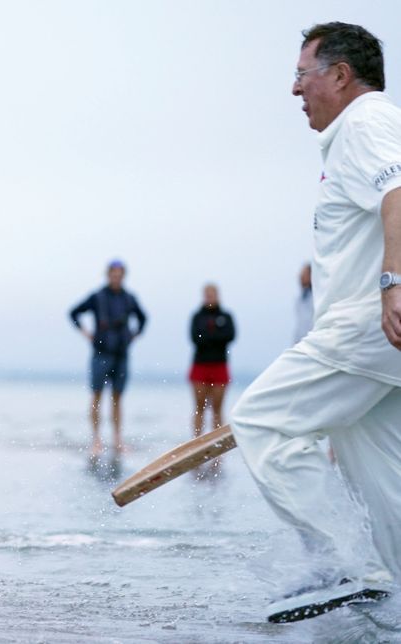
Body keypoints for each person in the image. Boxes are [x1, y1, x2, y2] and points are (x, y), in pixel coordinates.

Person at [230, 22, 401, 623]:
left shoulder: (365, 122)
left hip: (372, 325)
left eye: (302, 75)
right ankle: (393, 597)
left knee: (261, 421)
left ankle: (347, 564)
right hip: (379, 337)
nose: (294, 89)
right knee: (378, 468)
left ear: (340, 75)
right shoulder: (368, 128)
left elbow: (400, 191)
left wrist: (393, 283)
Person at [69, 260, 147, 460]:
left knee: (117, 398)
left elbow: (143, 318)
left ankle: (117, 440)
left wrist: (134, 335)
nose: (116, 277)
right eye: (113, 273)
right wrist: (85, 332)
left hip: (121, 353)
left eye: (120, 274)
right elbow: (74, 313)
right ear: (108, 274)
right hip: (101, 352)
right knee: (96, 396)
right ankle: (95, 440)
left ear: (123, 276)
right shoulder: (97, 297)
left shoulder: (129, 298)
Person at [188, 284, 236, 440]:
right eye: (207, 294)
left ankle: (217, 445)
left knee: (217, 408)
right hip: (200, 365)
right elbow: (195, 338)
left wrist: (209, 337)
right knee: (199, 407)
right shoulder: (197, 317)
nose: (209, 297)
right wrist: (215, 337)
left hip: (219, 365)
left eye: (212, 294)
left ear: (217, 295)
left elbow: (230, 336)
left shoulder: (226, 316)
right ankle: (196, 440)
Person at [293, 263, 314, 344]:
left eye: (304, 274)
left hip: (312, 342)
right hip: (300, 342)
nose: (300, 277)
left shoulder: (316, 298)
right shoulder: (299, 300)